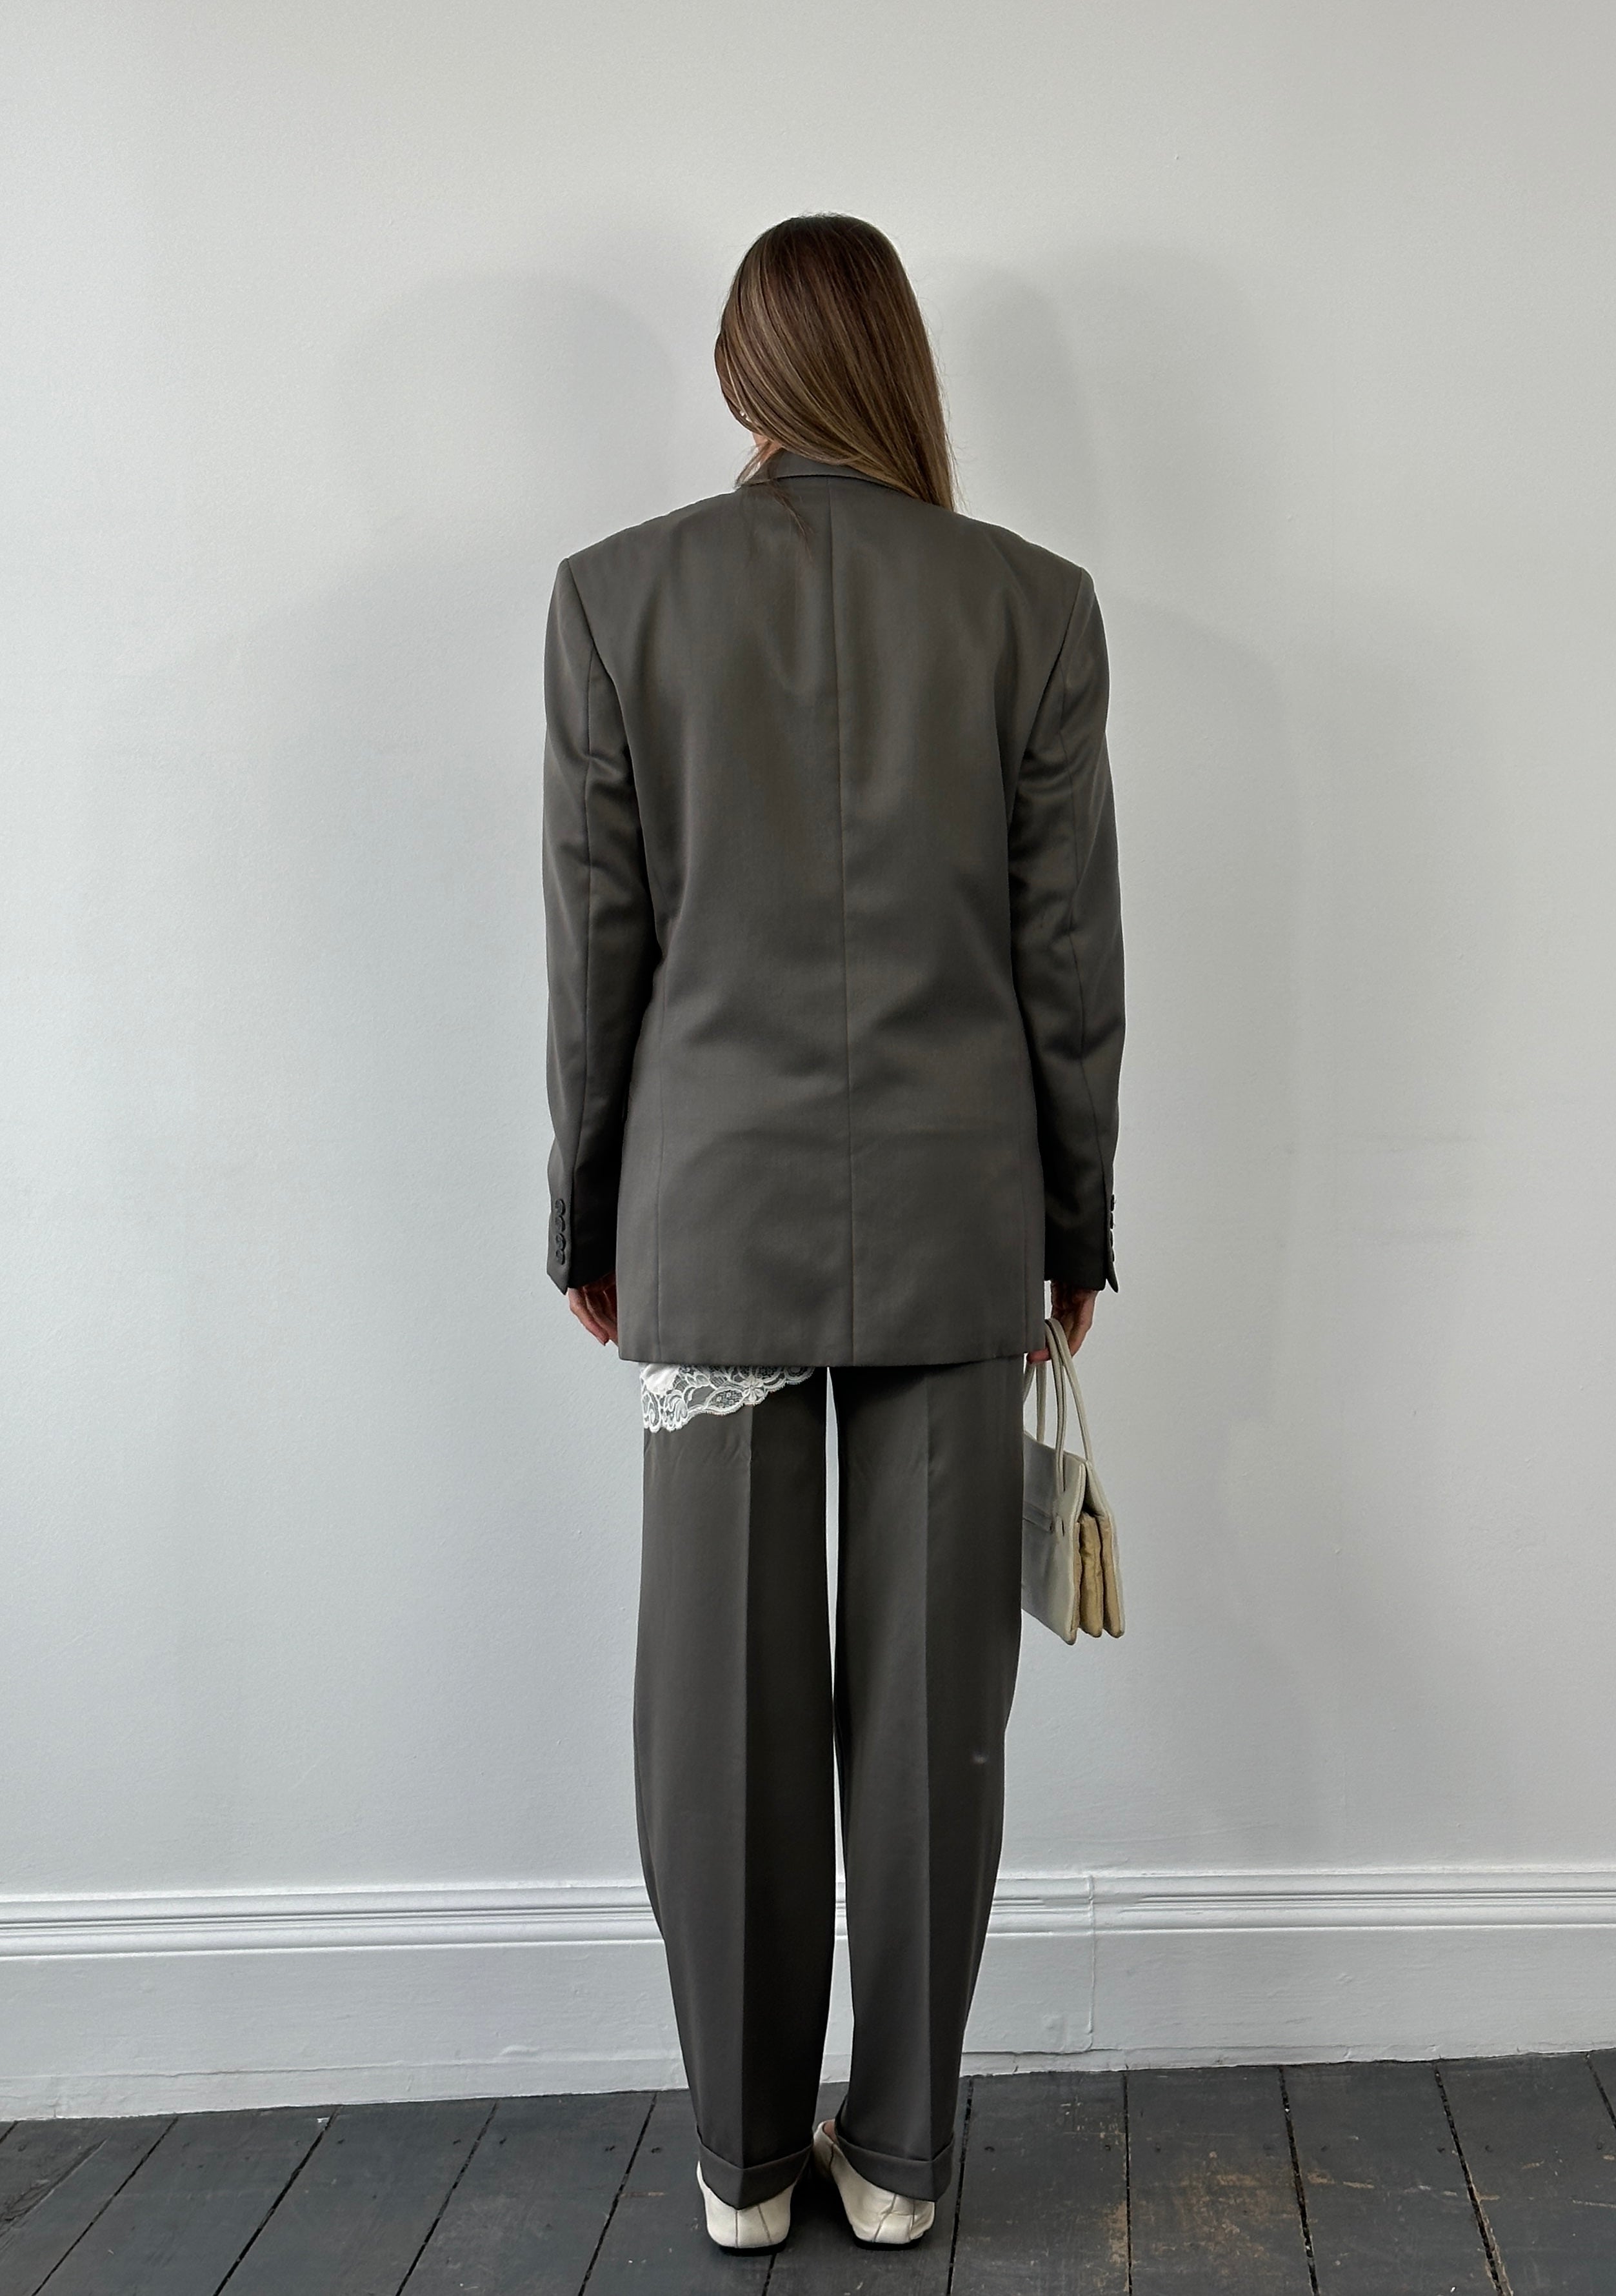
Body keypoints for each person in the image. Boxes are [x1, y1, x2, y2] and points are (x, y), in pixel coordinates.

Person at [541, 213, 1124, 2252]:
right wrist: (1075, 1225)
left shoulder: (617, 596)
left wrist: (584, 1213)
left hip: (705, 1210)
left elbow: (597, 947)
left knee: (716, 1703)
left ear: (740, 374)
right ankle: (901, 2156)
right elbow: (1065, 961)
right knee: (936, 1706)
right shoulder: (1029, 603)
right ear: (896, 367)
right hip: (959, 1213)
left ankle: (738, 2158)